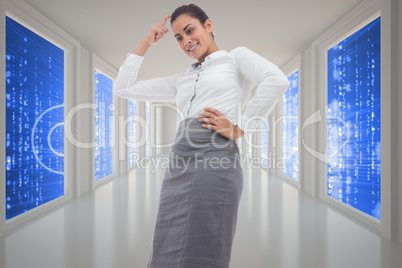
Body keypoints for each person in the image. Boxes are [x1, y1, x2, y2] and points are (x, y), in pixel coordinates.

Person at [113, 4, 289, 267]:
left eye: (189, 30)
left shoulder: (235, 58)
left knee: (204, 244)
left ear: (208, 25)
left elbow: (276, 79)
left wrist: (240, 127)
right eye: (179, 38)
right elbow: (123, 88)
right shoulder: (181, 80)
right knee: (165, 241)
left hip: (215, 158)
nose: (186, 41)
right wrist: (146, 42)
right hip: (179, 163)